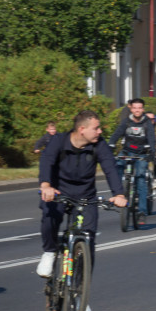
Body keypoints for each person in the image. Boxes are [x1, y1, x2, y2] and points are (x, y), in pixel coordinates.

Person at [36, 110, 128, 278]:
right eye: (96, 128)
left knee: (88, 239)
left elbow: (110, 167)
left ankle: (79, 297)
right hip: (58, 192)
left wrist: (119, 194)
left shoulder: (99, 144)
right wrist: (46, 186)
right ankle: (49, 252)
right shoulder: (59, 141)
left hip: (85, 195)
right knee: (49, 218)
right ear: (82, 129)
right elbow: (47, 161)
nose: (100, 132)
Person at [109, 98, 156, 225]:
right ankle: (120, 193)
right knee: (117, 166)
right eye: (135, 108)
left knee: (140, 179)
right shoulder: (126, 122)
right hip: (127, 151)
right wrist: (111, 144)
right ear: (131, 109)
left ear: (142, 109)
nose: (137, 110)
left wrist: (153, 153)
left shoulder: (147, 122)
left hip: (142, 154)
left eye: (139, 108)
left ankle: (141, 212)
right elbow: (117, 134)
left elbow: (151, 139)